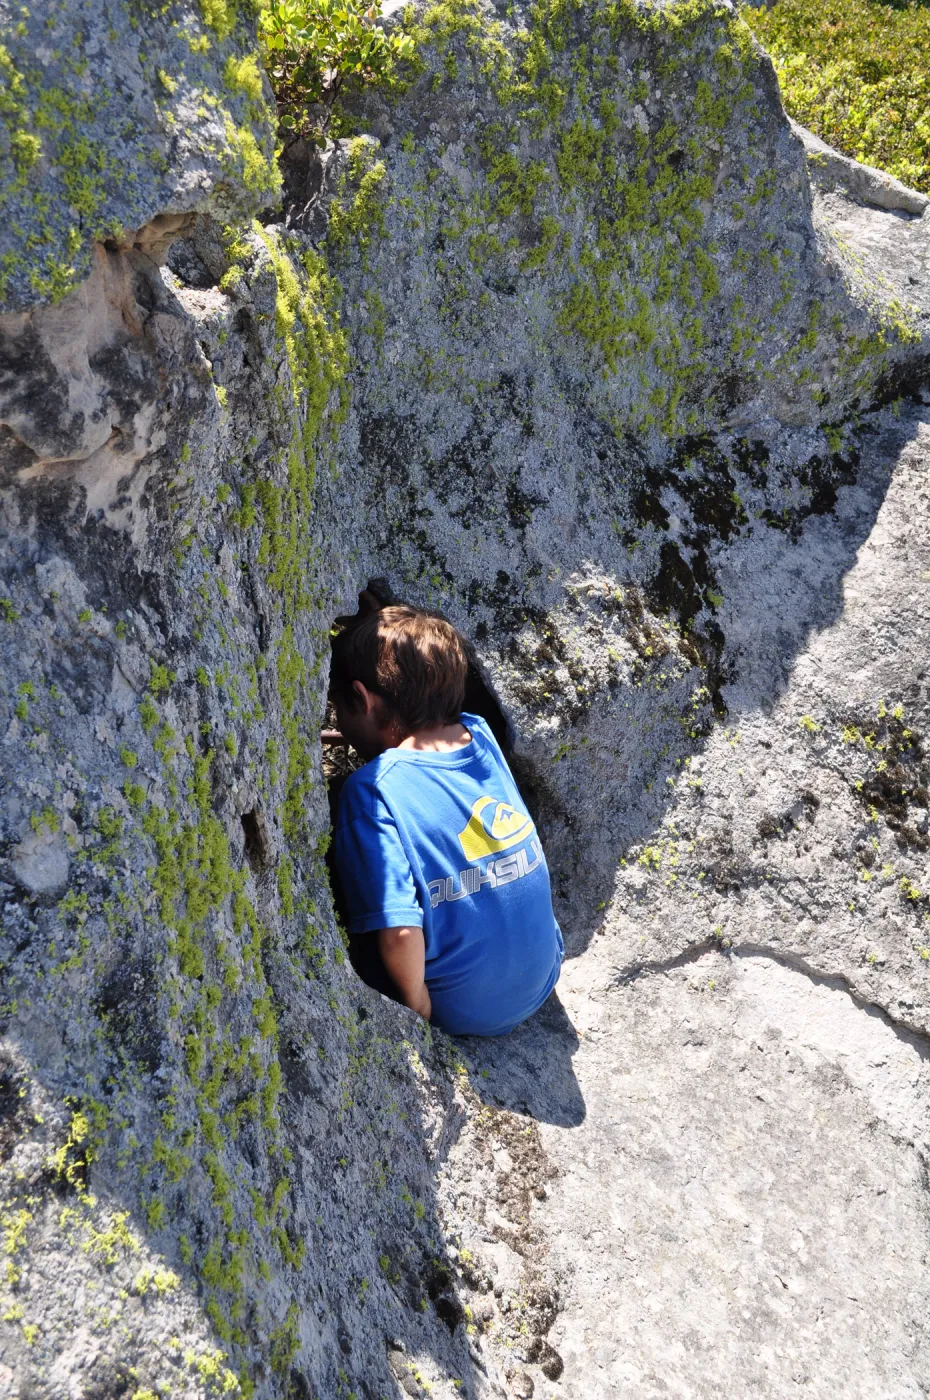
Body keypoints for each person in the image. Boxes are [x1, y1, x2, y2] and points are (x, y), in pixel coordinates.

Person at [328, 605, 564, 1036]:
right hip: (544, 973)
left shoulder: (371, 789)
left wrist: (418, 1006)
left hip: (463, 1008)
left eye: (337, 710)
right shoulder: (481, 734)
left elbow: (399, 932)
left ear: (361, 699)